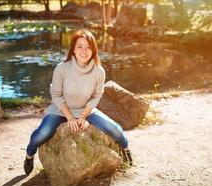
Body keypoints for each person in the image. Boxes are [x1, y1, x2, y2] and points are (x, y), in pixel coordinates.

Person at [24, 29, 133, 175]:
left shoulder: (99, 71)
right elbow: (55, 95)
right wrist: (69, 117)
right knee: (42, 134)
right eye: (80, 46)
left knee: (115, 130)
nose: (84, 51)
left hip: (86, 109)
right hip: (60, 109)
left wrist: (83, 116)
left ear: (93, 50)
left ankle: (125, 149)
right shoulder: (61, 68)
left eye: (88, 47)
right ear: (73, 50)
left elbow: (96, 96)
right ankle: (29, 156)